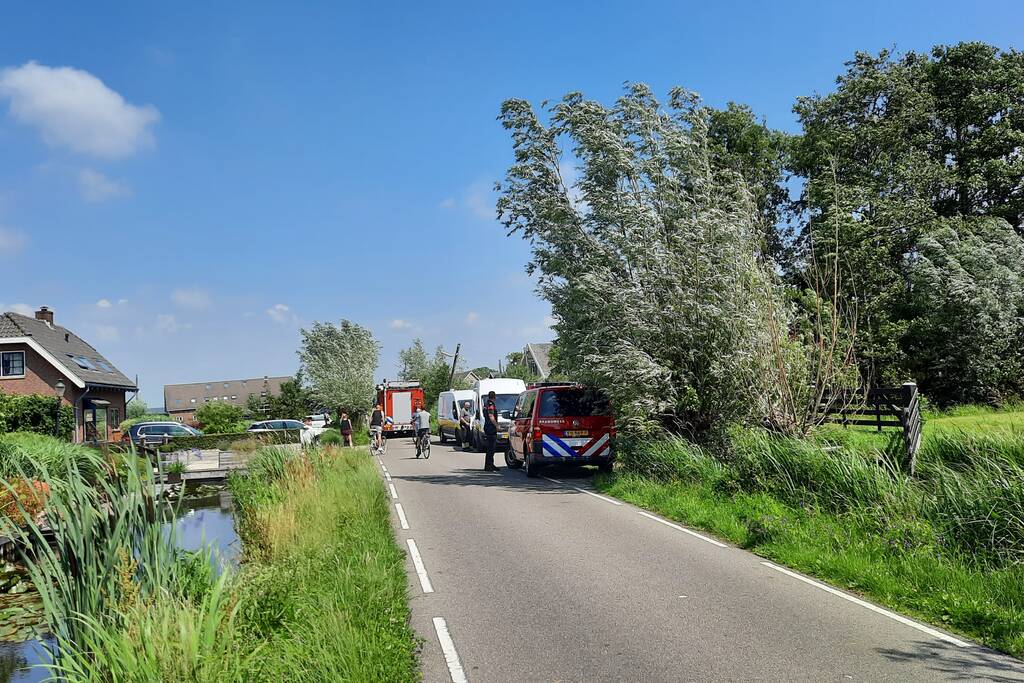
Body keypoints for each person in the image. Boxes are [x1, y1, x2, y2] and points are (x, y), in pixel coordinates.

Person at [483, 390, 499, 471]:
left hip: (488, 427)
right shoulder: (490, 404)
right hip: (490, 428)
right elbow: (491, 416)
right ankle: (488, 466)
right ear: (494, 396)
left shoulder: (487, 403)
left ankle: (490, 464)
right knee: (491, 448)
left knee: (491, 448)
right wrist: (497, 426)